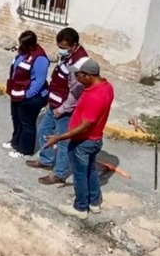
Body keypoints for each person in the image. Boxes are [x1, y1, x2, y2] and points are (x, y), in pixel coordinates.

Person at [46, 59, 114, 218]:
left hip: (83, 141)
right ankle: (94, 203)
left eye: (78, 75)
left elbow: (85, 125)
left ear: (88, 75)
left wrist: (59, 137)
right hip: (94, 140)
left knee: (80, 175)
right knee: (90, 171)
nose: (76, 78)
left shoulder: (95, 97)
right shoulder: (106, 87)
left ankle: (80, 207)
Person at [27, 27, 90, 184]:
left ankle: (59, 173)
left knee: (62, 141)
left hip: (64, 109)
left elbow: (75, 93)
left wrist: (61, 109)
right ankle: (46, 160)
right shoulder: (69, 57)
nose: (61, 50)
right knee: (43, 130)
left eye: (63, 47)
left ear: (74, 45)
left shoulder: (79, 64)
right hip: (54, 104)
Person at [4, 30, 49, 157]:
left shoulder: (40, 58)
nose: (20, 47)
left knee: (27, 123)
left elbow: (39, 81)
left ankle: (25, 149)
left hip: (30, 96)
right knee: (16, 118)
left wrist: (28, 95)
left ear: (31, 45)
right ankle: (16, 142)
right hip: (17, 93)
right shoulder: (22, 54)